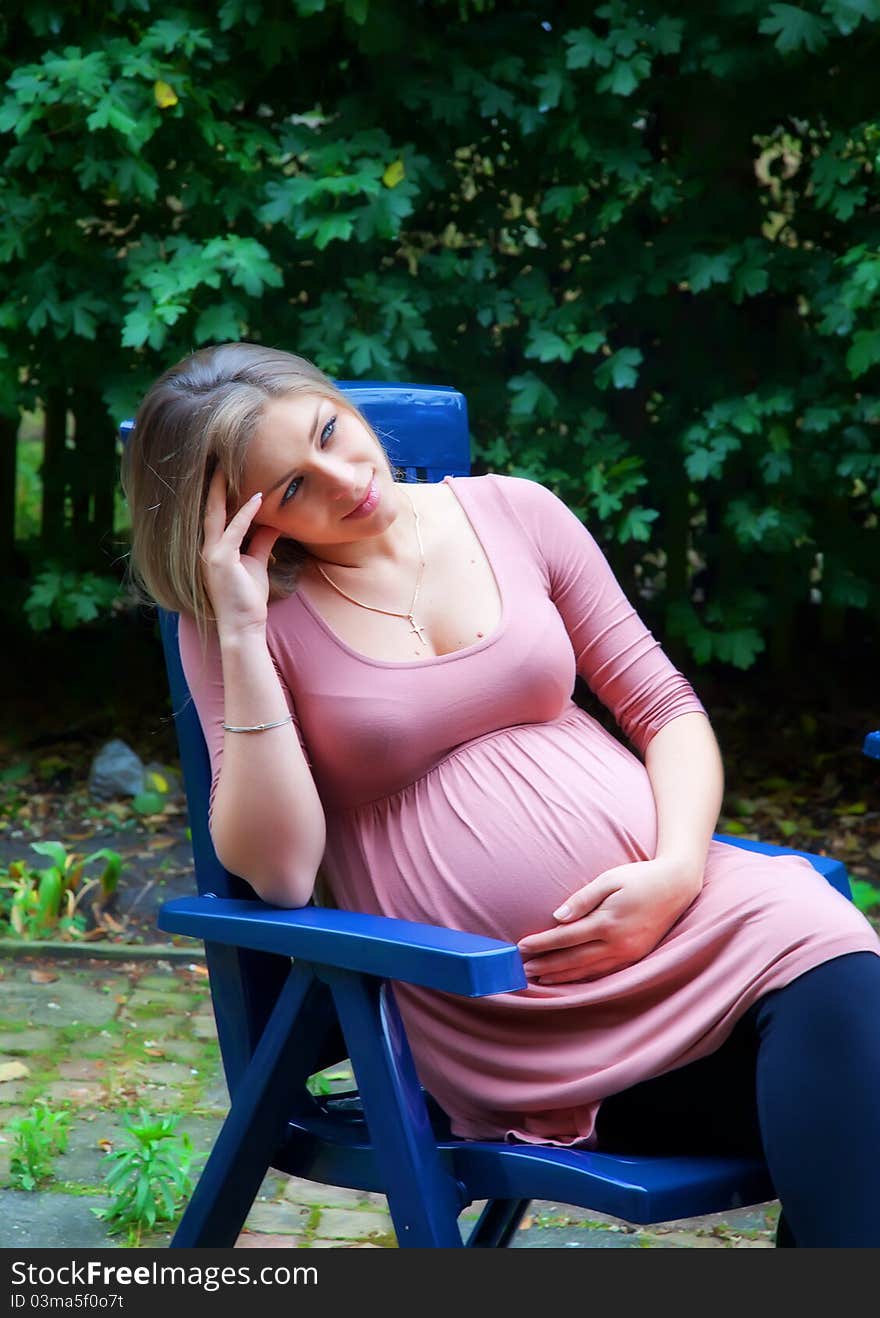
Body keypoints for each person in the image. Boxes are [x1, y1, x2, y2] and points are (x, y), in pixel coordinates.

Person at [121, 341, 880, 1247]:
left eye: (329, 431)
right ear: (247, 524)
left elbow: (666, 707)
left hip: (695, 915)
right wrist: (242, 633)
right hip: (518, 1006)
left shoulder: (516, 512)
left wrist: (677, 870)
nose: (345, 476)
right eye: (290, 489)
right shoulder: (247, 622)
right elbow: (280, 874)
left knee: (839, 980)